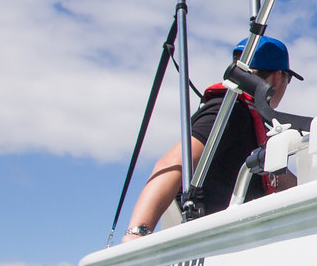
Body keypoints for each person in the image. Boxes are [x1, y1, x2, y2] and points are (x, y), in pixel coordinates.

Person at [123, 36, 304, 240]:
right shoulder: (229, 112)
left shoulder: (249, 121)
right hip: (215, 246)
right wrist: (136, 234)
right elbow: (174, 163)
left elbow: (279, 179)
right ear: (278, 76)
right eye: (287, 79)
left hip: (240, 242)